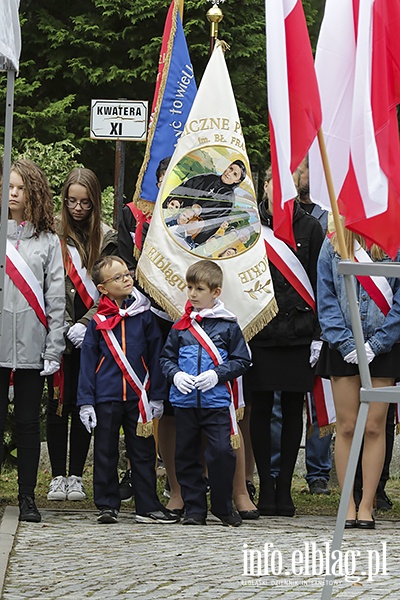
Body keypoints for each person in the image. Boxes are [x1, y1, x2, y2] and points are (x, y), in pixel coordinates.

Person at [76, 255, 179, 524]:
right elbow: (87, 362)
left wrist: (157, 394)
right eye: (118, 277)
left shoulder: (144, 316)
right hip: (106, 396)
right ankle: (107, 504)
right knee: (105, 451)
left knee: (143, 452)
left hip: (139, 396)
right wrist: (86, 401)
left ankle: (147, 505)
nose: (126, 279)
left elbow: (156, 354)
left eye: (127, 273)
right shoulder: (97, 321)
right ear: (103, 288)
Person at [246, 171, 324, 517]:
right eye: (273, 181)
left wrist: (319, 335)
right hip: (259, 331)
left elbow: (321, 286)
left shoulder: (310, 227)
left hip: (298, 332)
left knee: (294, 408)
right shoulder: (249, 225)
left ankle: (284, 487)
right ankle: (265, 484)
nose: (279, 189)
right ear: (264, 185)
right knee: (259, 409)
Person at [317, 228, 400, 529]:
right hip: (343, 347)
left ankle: (367, 503)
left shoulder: (395, 242)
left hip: (385, 346)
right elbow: (325, 298)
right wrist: (346, 344)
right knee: (348, 426)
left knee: (375, 426)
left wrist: (376, 344)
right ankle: (347, 503)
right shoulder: (332, 243)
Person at [160, 260, 252, 526]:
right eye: (189, 287)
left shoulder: (228, 326)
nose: (192, 294)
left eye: (199, 288)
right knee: (186, 455)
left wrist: (217, 374)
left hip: (217, 402)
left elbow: (241, 360)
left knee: (221, 453)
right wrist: (176, 375)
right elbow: (167, 358)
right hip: (185, 402)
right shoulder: (181, 326)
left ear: (215, 292)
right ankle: (194, 508)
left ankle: (223, 507)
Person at [0, 159, 66, 522]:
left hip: (31, 348)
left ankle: (27, 496)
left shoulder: (48, 242)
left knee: (27, 424)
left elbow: (56, 298)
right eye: (8, 186)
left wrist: (53, 348)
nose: (13, 193)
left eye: (21, 187)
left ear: (34, 193)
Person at [46, 168, 117, 502]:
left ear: (94, 202)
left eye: (85, 202)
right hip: (57, 332)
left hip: (93, 333)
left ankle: (76, 475)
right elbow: (47, 282)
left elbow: (111, 289)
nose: (78, 208)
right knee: (59, 404)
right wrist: (57, 324)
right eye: (72, 201)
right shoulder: (52, 234)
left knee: (82, 404)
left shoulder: (107, 236)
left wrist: (86, 323)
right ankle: (57, 475)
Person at [162, 161, 247, 244]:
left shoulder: (228, 200)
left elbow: (213, 224)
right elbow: (183, 188)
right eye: (230, 168)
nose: (229, 173)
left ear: (237, 181)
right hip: (172, 217)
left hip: (187, 234)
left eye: (235, 174)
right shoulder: (208, 178)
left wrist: (194, 229)